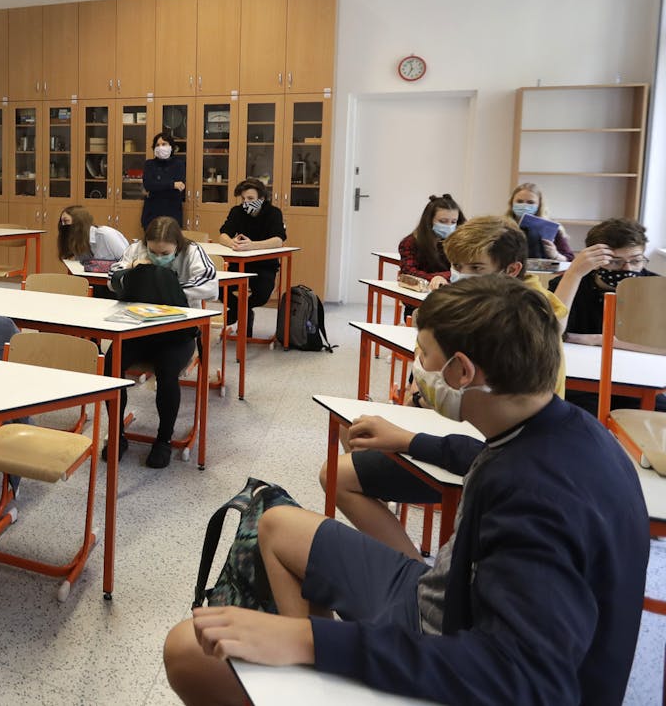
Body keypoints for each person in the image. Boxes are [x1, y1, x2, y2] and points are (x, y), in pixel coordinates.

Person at [164, 275, 648, 705]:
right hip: (442, 598)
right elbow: (484, 457)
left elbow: (521, 678)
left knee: (187, 650)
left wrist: (312, 642)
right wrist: (410, 440)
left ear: (461, 371)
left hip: (449, 647)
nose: (418, 368)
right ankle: (313, 682)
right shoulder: (564, 432)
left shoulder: (535, 497)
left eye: (423, 355)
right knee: (275, 523)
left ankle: (315, 673)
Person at [319, 216, 568, 558]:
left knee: (339, 475)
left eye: (476, 267)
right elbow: (435, 375)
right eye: (457, 266)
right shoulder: (491, 309)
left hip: (470, 450)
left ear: (510, 270)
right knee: (355, 432)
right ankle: (397, 536)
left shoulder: (516, 325)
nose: (462, 274)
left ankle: (410, 570)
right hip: (461, 434)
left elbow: (494, 447)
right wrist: (418, 399)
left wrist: (409, 438)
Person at [107, 217, 217, 468]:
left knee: (167, 374)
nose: (158, 256)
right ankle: (117, 434)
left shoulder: (192, 252)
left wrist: (159, 281)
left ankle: (163, 440)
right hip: (138, 328)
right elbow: (113, 278)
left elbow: (210, 286)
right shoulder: (137, 249)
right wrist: (137, 268)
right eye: (153, 252)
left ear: (176, 246)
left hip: (177, 332)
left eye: (164, 253)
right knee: (110, 365)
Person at [548, 217, 663, 412]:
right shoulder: (570, 285)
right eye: (615, 262)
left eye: (636, 261)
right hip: (584, 380)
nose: (627, 270)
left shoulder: (656, 288)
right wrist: (573, 273)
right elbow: (551, 333)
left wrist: (600, 339)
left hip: (638, 380)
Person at [216, 178, 285, 336]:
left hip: (264, 265)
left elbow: (278, 240)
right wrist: (231, 242)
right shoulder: (237, 211)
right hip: (237, 264)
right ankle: (243, 311)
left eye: (251, 199)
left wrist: (253, 245)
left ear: (262, 199)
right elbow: (223, 234)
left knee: (262, 294)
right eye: (243, 199)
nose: (246, 202)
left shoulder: (273, 213)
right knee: (217, 287)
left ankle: (238, 312)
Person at [396, 194, 463, 290]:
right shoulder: (410, 242)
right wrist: (435, 278)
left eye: (453, 222)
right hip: (421, 292)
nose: (449, 226)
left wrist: (442, 277)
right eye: (443, 221)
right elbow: (408, 272)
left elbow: (463, 270)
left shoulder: (459, 242)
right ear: (429, 220)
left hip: (451, 292)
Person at [505, 182, 575, 261]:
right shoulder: (501, 226)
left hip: (542, 272)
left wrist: (555, 255)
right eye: (520, 201)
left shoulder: (550, 228)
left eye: (530, 202)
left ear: (539, 205)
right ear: (511, 203)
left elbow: (570, 259)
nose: (524, 205)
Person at [141, 132, 187, 230]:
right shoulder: (149, 164)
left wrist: (159, 186)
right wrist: (172, 184)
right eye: (157, 145)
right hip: (152, 214)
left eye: (164, 144)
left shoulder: (179, 164)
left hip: (172, 213)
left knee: (171, 243)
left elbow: (180, 186)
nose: (160, 147)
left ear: (171, 147)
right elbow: (149, 185)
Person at [56, 204, 130, 263]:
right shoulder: (80, 241)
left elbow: (128, 260)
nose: (63, 225)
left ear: (79, 222)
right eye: (61, 222)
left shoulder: (106, 235)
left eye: (66, 221)